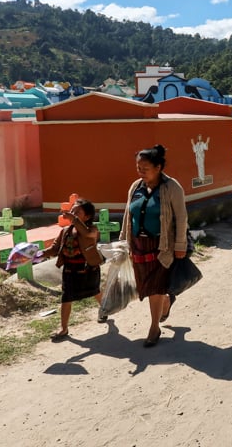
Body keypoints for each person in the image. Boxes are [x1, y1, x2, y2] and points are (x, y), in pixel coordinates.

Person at [119, 144, 188, 347]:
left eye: (145, 168)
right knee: (146, 286)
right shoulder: (136, 187)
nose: (140, 172)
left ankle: (154, 327)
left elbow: (181, 218)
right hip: (138, 245)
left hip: (162, 245)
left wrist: (180, 245)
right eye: (138, 168)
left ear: (158, 167)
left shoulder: (172, 188)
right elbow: (127, 214)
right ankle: (166, 301)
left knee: (155, 286)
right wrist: (124, 241)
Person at [45, 198, 103, 342]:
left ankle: (105, 309)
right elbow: (54, 248)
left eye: (77, 212)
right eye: (72, 210)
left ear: (87, 216)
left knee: (94, 291)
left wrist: (74, 219)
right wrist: (37, 253)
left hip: (88, 269)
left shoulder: (92, 230)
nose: (72, 213)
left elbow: (87, 234)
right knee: (66, 298)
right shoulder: (65, 231)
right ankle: (64, 328)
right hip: (70, 270)